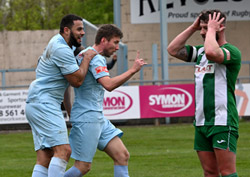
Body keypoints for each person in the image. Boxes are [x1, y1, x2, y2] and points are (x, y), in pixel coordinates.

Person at [64, 24, 146, 177]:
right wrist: (133, 70)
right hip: (88, 118)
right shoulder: (96, 58)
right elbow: (108, 85)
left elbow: (67, 86)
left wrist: (71, 112)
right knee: (83, 166)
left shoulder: (86, 54)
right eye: (115, 42)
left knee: (122, 155)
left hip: (96, 117)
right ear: (103, 40)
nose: (117, 47)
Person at [167, 9, 241, 177]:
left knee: (227, 172)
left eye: (206, 28)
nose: (202, 32)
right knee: (209, 172)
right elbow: (172, 49)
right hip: (201, 122)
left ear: (220, 27)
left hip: (222, 121)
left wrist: (212, 30)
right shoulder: (199, 52)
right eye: (201, 28)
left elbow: (212, 52)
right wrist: (193, 27)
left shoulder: (232, 52)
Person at [25, 14, 97, 177]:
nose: (83, 33)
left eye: (83, 29)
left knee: (45, 157)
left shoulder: (59, 43)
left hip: (35, 103)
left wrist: (70, 111)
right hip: (44, 103)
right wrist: (86, 58)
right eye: (79, 29)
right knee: (64, 151)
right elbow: (77, 81)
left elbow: (65, 84)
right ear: (66, 30)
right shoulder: (61, 49)